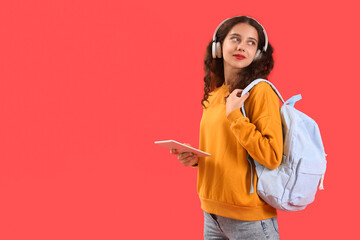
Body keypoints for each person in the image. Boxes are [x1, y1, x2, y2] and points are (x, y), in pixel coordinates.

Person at [171, 16, 283, 240]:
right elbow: (227, 152)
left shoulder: (260, 92)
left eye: (251, 42)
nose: (242, 46)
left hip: (250, 220)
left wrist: (235, 115)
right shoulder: (214, 94)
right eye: (235, 38)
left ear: (258, 54)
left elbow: (271, 156)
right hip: (212, 215)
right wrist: (195, 158)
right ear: (218, 47)